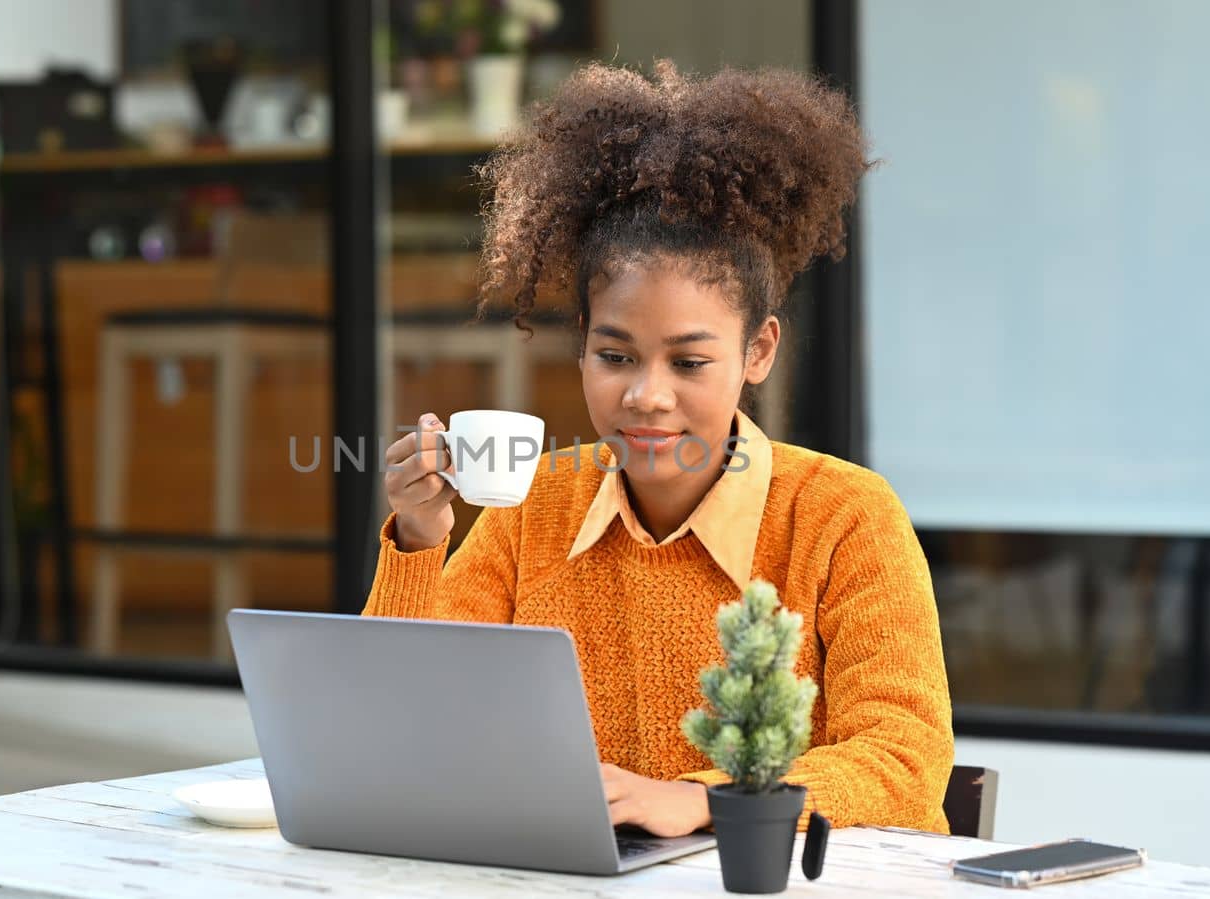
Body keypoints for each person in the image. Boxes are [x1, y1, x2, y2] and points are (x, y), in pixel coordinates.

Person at [364, 61, 953, 838]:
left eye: (688, 361)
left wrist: (705, 799)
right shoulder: (533, 507)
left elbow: (902, 759)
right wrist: (419, 538)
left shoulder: (844, 516)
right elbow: (402, 729)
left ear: (759, 351)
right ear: (581, 348)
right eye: (616, 356)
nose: (646, 395)